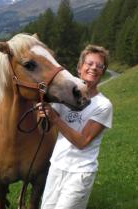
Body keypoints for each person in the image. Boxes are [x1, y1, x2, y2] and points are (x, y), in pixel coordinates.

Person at [39, 44, 113, 209]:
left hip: (80, 172)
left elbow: (82, 142)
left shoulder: (103, 105)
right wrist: (43, 113)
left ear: (103, 71)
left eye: (99, 66)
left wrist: (56, 119)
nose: (94, 68)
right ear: (79, 68)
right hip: (57, 166)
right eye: (89, 63)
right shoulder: (66, 97)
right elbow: (46, 128)